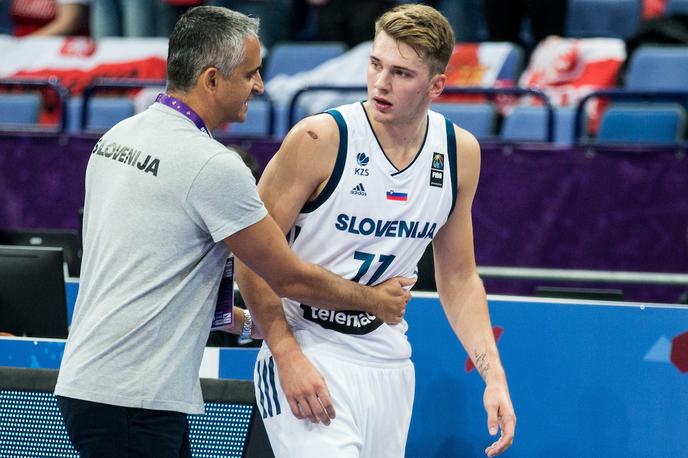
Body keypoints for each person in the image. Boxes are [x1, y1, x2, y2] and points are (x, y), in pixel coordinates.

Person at [54, 6, 413, 457]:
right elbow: (288, 277)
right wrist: (375, 301)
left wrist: (250, 325)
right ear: (211, 80)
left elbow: (155, 275)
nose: (259, 86)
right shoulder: (212, 166)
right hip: (135, 399)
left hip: (93, 385)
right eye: (250, 74)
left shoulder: (116, 139)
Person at [236, 4, 516, 457]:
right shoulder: (319, 140)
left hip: (387, 357)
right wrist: (285, 355)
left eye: (402, 73)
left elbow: (459, 279)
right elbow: (248, 258)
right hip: (308, 343)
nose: (382, 83)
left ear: (436, 85)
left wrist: (494, 376)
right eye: (375, 64)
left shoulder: (459, 152)